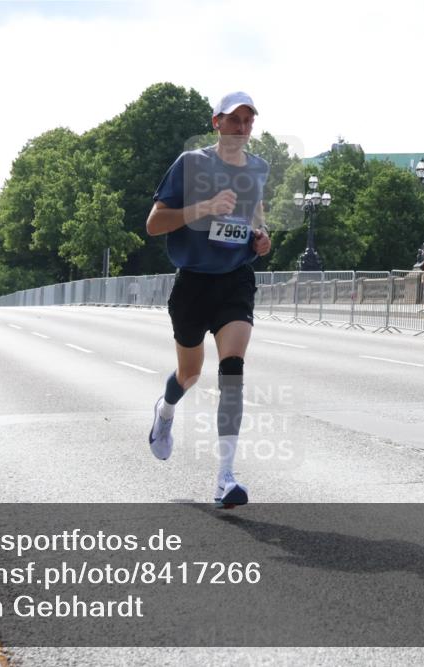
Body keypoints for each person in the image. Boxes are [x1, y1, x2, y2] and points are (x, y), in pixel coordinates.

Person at [145, 91, 272, 508]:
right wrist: (203, 207)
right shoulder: (191, 164)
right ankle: (165, 412)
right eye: (234, 119)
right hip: (193, 282)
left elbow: (253, 216)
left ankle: (225, 477)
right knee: (190, 375)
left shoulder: (258, 168)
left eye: (248, 120)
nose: (241, 127)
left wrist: (260, 238)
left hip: (235, 278)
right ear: (215, 122)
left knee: (232, 370)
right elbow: (154, 223)